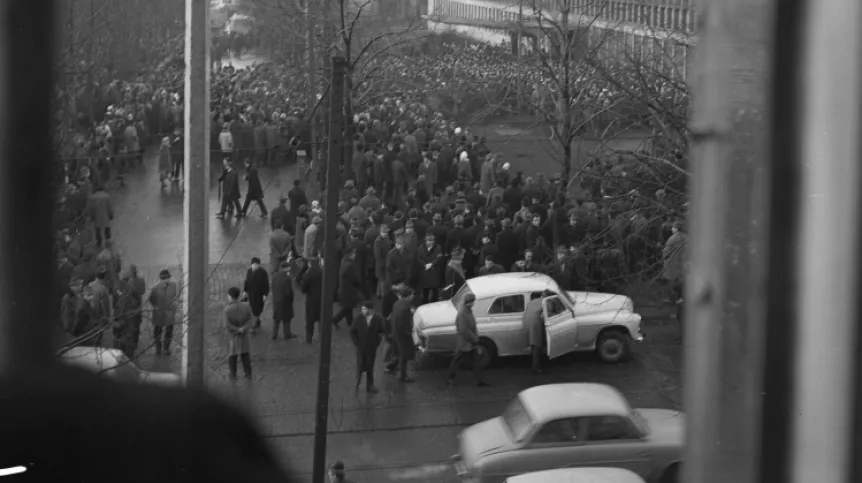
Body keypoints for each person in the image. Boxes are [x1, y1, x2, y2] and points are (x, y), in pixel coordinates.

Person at [446, 293, 489, 387]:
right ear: (469, 302)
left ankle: (479, 380)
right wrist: (474, 339)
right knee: (458, 361)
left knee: (473, 361)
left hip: (468, 342)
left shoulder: (467, 311)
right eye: (473, 301)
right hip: (465, 342)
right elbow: (464, 330)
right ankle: (450, 377)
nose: (473, 303)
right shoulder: (463, 313)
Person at [349, 301, 384, 394]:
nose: (363, 311)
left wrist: (376, 343)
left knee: (370, 365)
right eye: (362, 309)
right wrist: (357, 343)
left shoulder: (378, 318)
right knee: (360, 365)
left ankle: (370, 385)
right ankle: (357, 382)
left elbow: (381, 332)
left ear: (371, 310)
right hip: (361, 347)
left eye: (365, 309)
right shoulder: (359, 318)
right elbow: (352, 331)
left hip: (371, 347)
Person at [224, 286, 253, 380]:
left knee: (232, 355)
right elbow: (250, 319)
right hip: (244, 335)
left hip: (233, 336)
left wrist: (237, 329)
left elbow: (227, 325)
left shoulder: (227, 310)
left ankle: (233, 374)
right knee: (245, 354)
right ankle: (248, 373)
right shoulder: (246, 306)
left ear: (230, 296)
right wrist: (243, 328)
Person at [148, 269, 178, 356]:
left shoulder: (173, 286)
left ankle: (165, 348)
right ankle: (158, 349)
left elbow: (174, 296)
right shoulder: (155, 288)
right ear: (162, 279)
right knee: (158, 332)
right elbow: (151, 299)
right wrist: (155, 306)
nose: (167, 280)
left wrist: (173, 306)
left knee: (168, 332)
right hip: (159, 313)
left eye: (167, 278)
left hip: (168, 313)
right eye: (165, 278)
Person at [391, 287, 416, 383]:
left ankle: (397, 371)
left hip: (396, 333)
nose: (413, 296)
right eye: (412, 295)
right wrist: (409, 333)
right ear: (407, 296)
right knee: (404, 356)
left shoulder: (397, 304)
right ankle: (403, 376)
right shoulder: (404, 308)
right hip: (402, 335)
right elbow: (403, 323)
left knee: (399, 353)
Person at [523, 291, 552, 373]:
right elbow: (547, 316)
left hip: (526, 322)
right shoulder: (546, 302)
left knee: (533, 344)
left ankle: (535, 364)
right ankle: (535, 367)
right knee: (537, 345)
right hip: (536, 323)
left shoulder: (532, 301)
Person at [333, 249, 361, 328]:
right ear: (349, 254)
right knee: (347, 308)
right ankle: (337, 320)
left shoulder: (343, 261)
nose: (354, 255)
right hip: (348, 290)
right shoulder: (349, 266)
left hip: (344, 289)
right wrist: (359, 283)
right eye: (353, 253)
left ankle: (349, 322)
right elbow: (353, 278)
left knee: (348, 308)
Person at [270, 260, 296, 340]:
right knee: (286, 319)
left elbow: (272, 287)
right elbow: (288, 292)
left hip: (276, 301)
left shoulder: (274, 276)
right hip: (285, 303)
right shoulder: (287, 278)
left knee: (276, 320)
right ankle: (287, 334)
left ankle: (274, 335)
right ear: (287, 268)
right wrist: (292, 299)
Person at [300, 257, 324, 344]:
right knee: (322, 319)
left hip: (311, 300)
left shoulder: (308, 274)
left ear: (310, 263)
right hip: (322, 299)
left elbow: (303, 289)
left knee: (310, 320)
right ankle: (322, 337)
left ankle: (309, 338)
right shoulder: (323, 271)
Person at [243, 257, 270, 334]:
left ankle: (254, 325)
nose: (255, 266)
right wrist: (245, 291)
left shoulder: (263, 273)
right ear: (251, 265)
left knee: (257, 309)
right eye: (253, 265)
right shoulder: (249, 271)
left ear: (259, 265)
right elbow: (247, 281)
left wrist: (265, 294)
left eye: (256, 265)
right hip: (251, 294)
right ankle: (257, 321)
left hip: (259, 294)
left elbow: (266, 284)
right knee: (252, 308)